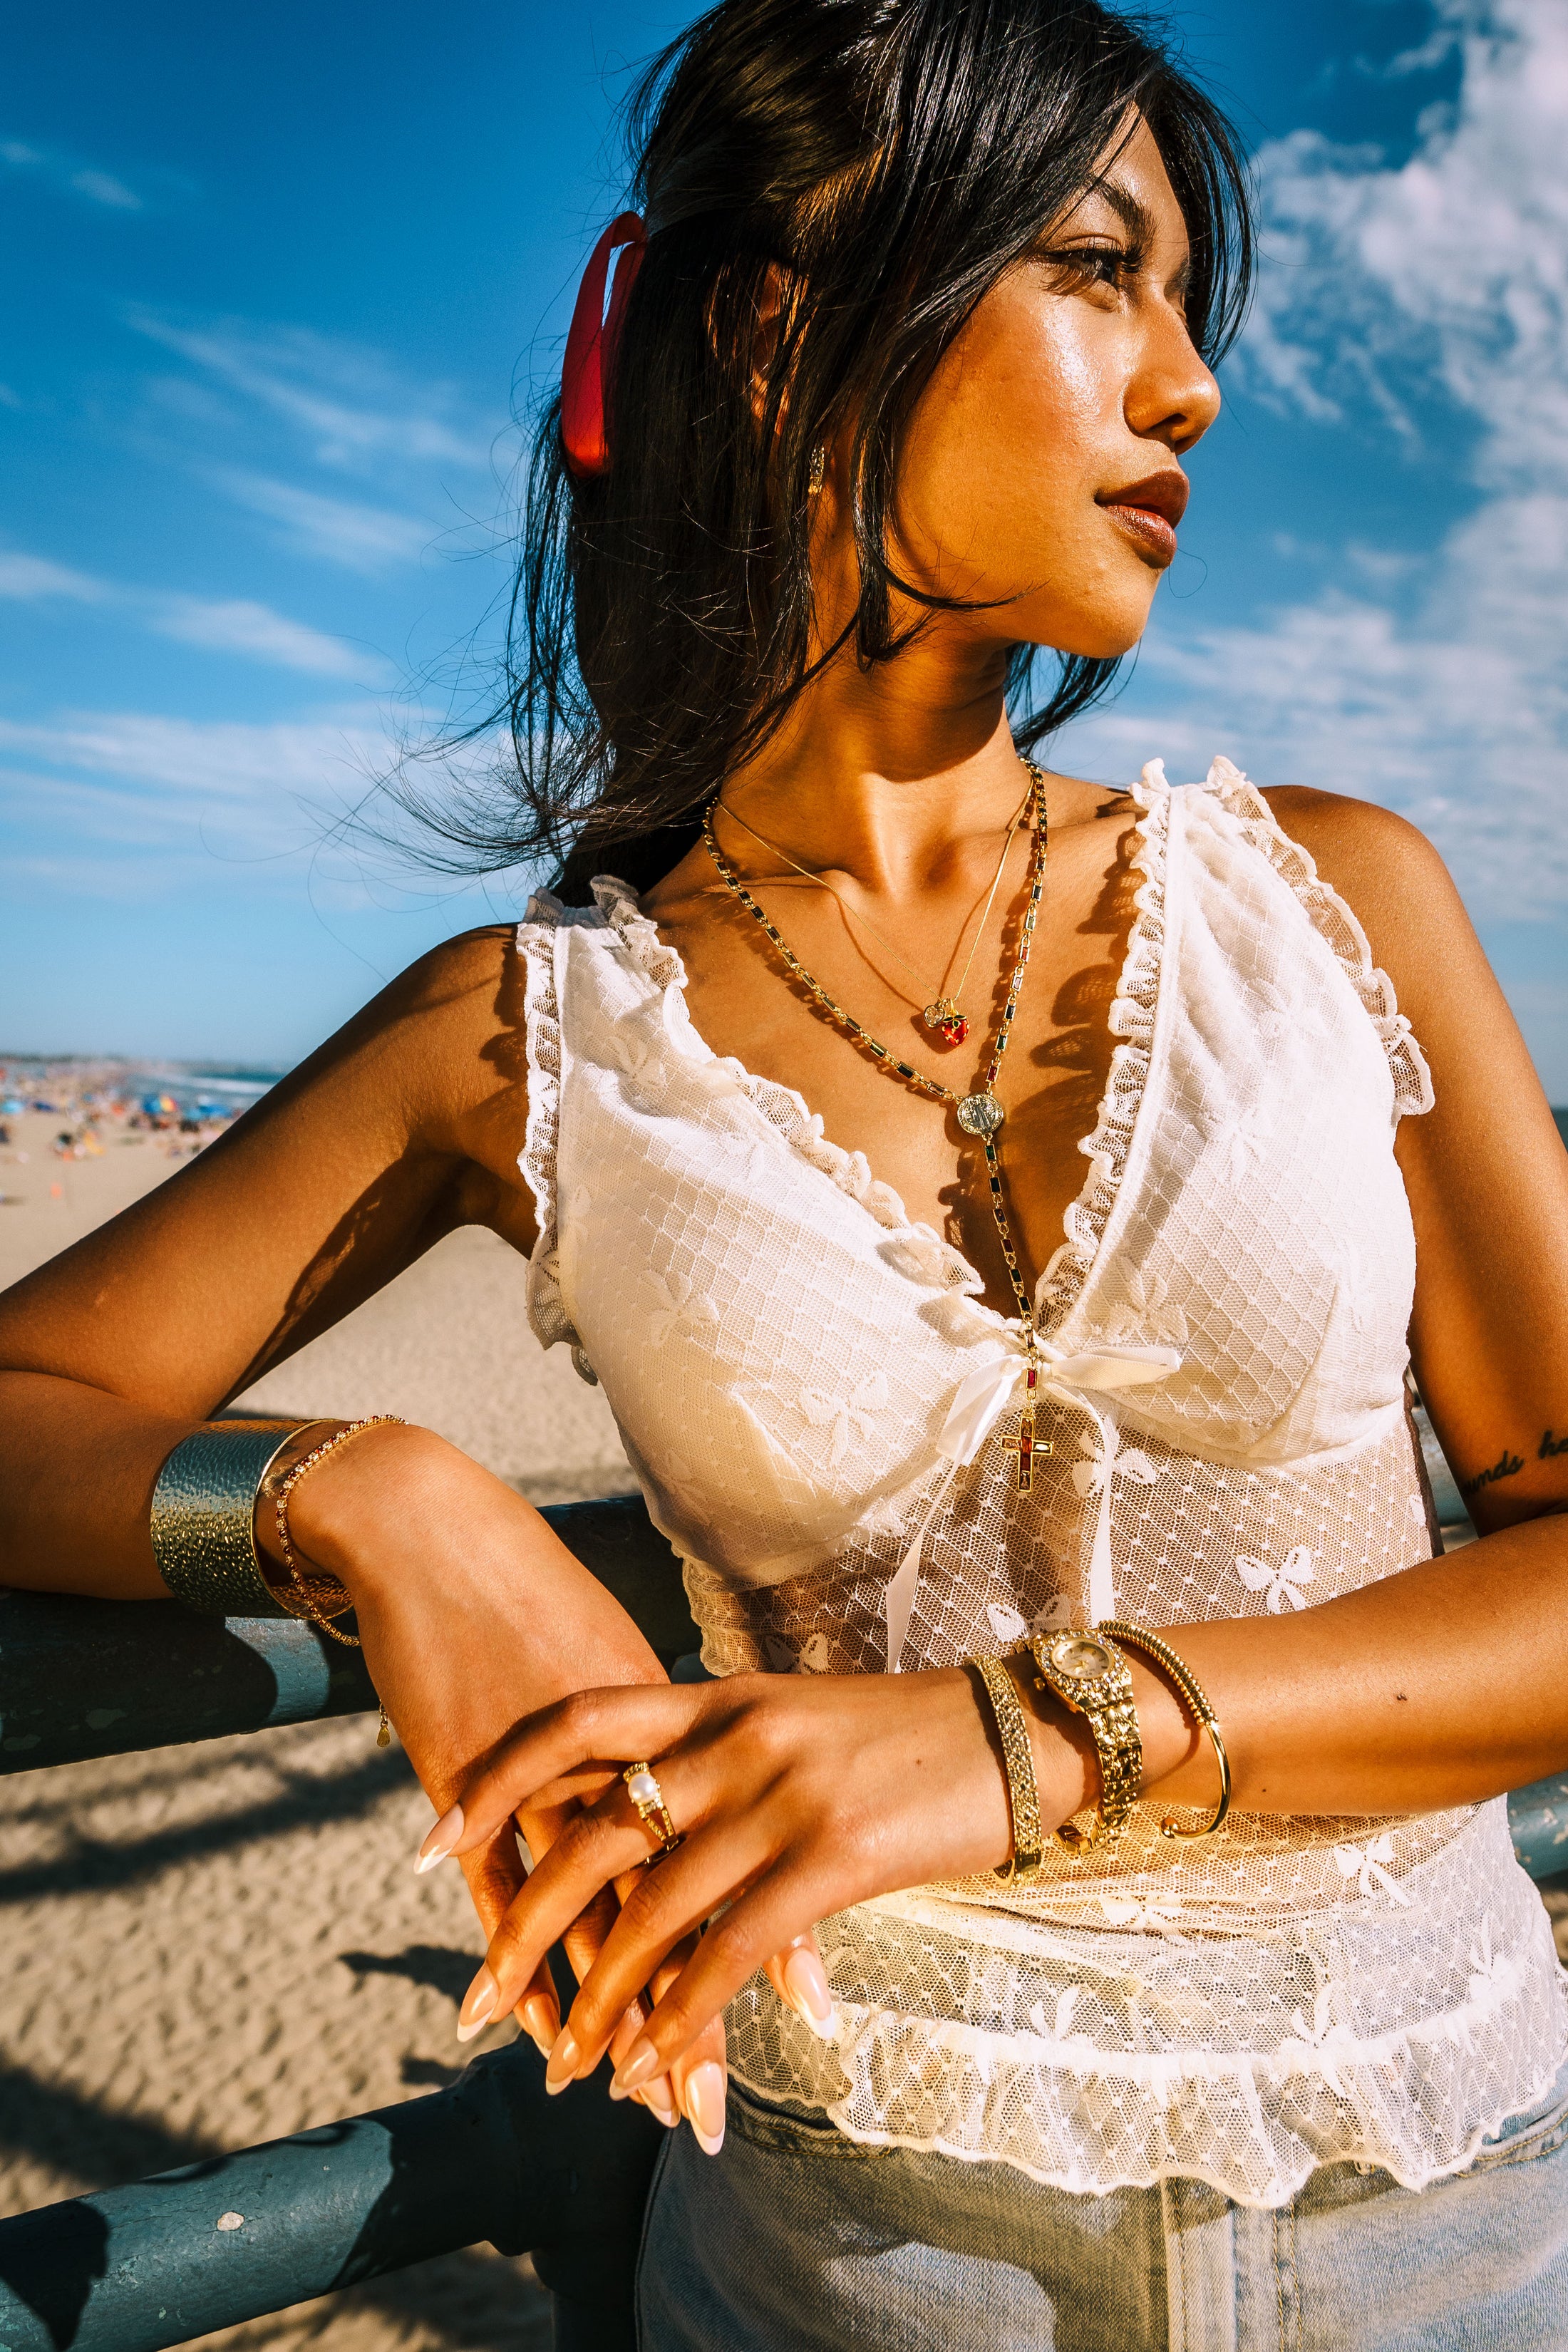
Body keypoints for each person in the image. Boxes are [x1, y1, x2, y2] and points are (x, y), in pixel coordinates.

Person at [4, 1, 1568, 2342]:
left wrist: (1014, 1739)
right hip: (851, 2261)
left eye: (1182, 304)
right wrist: (382, 1500)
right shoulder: (525, 1038)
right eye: (1093, 273)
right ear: (778, 329)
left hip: (1460, 2218)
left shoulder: (1338, 908)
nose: (1190, 386)